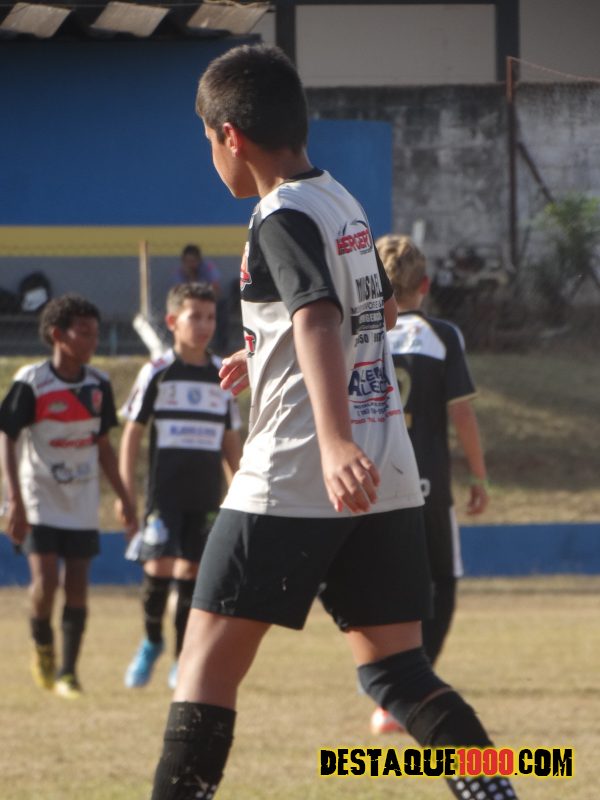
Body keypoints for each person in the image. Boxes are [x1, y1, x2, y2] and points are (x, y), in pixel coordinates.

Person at [149, 44, 519, 800]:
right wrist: (266, 353)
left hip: (298, 468)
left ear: (230, 136)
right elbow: (376, 313)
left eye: (208, 139)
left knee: (202, 670)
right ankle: (496, 792)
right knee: (397, 672)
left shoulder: (278, 215)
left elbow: (319, 317)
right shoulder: (341, 202)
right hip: (384, 472)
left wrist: (333, 439)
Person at [370, 234, 490, 735]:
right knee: (441, 583)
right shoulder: (442, 336)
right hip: (426, 485)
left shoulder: (362, 332)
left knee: (379, 586)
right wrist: (479, 476)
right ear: (425, 285)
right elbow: (461, 414)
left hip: (371, 483)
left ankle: (382, 685)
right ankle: (408, 692)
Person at [0, 293, 137, 699]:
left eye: (96, 333)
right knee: (45, 584)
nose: (94, 340)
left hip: (81, 498)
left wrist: (125, 496)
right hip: (38, 494)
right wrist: (14, 500)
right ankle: (43, 645)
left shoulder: (98, 385)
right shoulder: (32, 381)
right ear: (58, 335)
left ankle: (68, 673)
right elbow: (7, 437)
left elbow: (103, 445)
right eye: (85, 333)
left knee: (77, 586)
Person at [118, 282, 242, 691]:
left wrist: (240, 492)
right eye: (194, 317)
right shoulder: (157, 371)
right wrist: (126, 494)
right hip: (164, 496)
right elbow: (132, 435)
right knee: (158, 568)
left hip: (204, 497)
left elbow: (230, 443)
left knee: (191, 572)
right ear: (172, 321)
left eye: (210, 317)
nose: (204, 325)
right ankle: (151, 641)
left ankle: (180, 659)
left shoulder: (221, 373)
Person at [176, 244, 230, 353]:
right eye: (187, 261)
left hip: (210, 301)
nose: (190, 264)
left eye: (193, 261)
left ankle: (221, 347)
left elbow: (216, 289)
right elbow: (180, 293)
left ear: (199, 260)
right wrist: (191, 276)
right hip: (190, 305)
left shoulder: (207, 268)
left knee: (221, 307)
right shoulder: (180, 272)